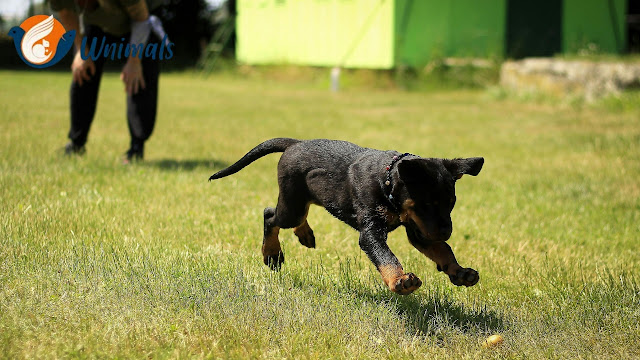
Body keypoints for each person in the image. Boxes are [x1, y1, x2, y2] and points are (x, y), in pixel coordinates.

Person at [50, 0, 166, 163]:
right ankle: (76, 144)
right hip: (97, 26)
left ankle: (136, 148)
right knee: (83, 72)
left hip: (138, 24)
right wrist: (80, 51)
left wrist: (134, 62)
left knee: (139, 80)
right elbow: (66, 12)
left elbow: (141, 18)